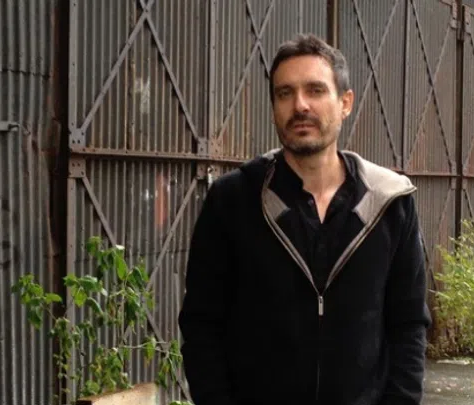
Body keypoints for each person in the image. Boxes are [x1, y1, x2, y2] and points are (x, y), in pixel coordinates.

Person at [178, 34, 431, 405]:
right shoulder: (233, 201)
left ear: (345, 103)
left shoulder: (389, 203)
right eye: (285, 93)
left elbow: (408, 324)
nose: (300, 105)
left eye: (315, 90)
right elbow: (202, 323)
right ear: (274, 107)